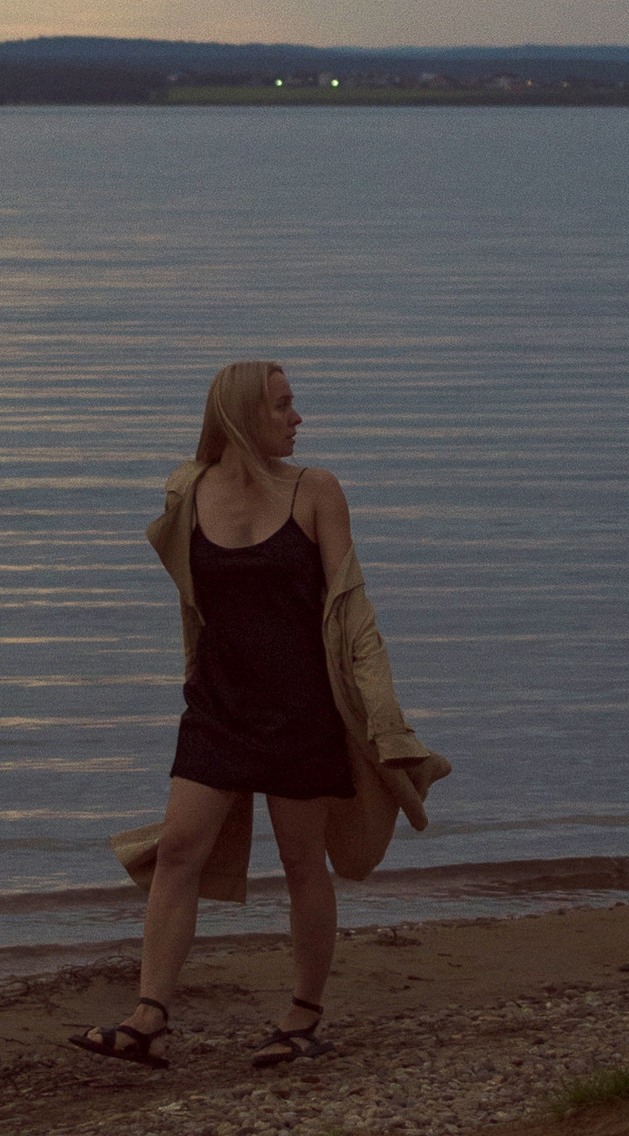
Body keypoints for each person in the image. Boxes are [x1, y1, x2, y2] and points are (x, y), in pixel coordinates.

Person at [76, 357, 449, 1073]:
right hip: (217, 703)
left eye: (293, 404)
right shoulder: (189, 493)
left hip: (302, 707)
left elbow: (352, 612)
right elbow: (194, 600)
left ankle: (303, 1016)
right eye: (282, 406)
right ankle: (148, 1017)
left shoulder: (317, 492)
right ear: (245, 417)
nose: (297, 418)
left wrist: (385, 718)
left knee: (302, 858)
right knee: (180, 850)